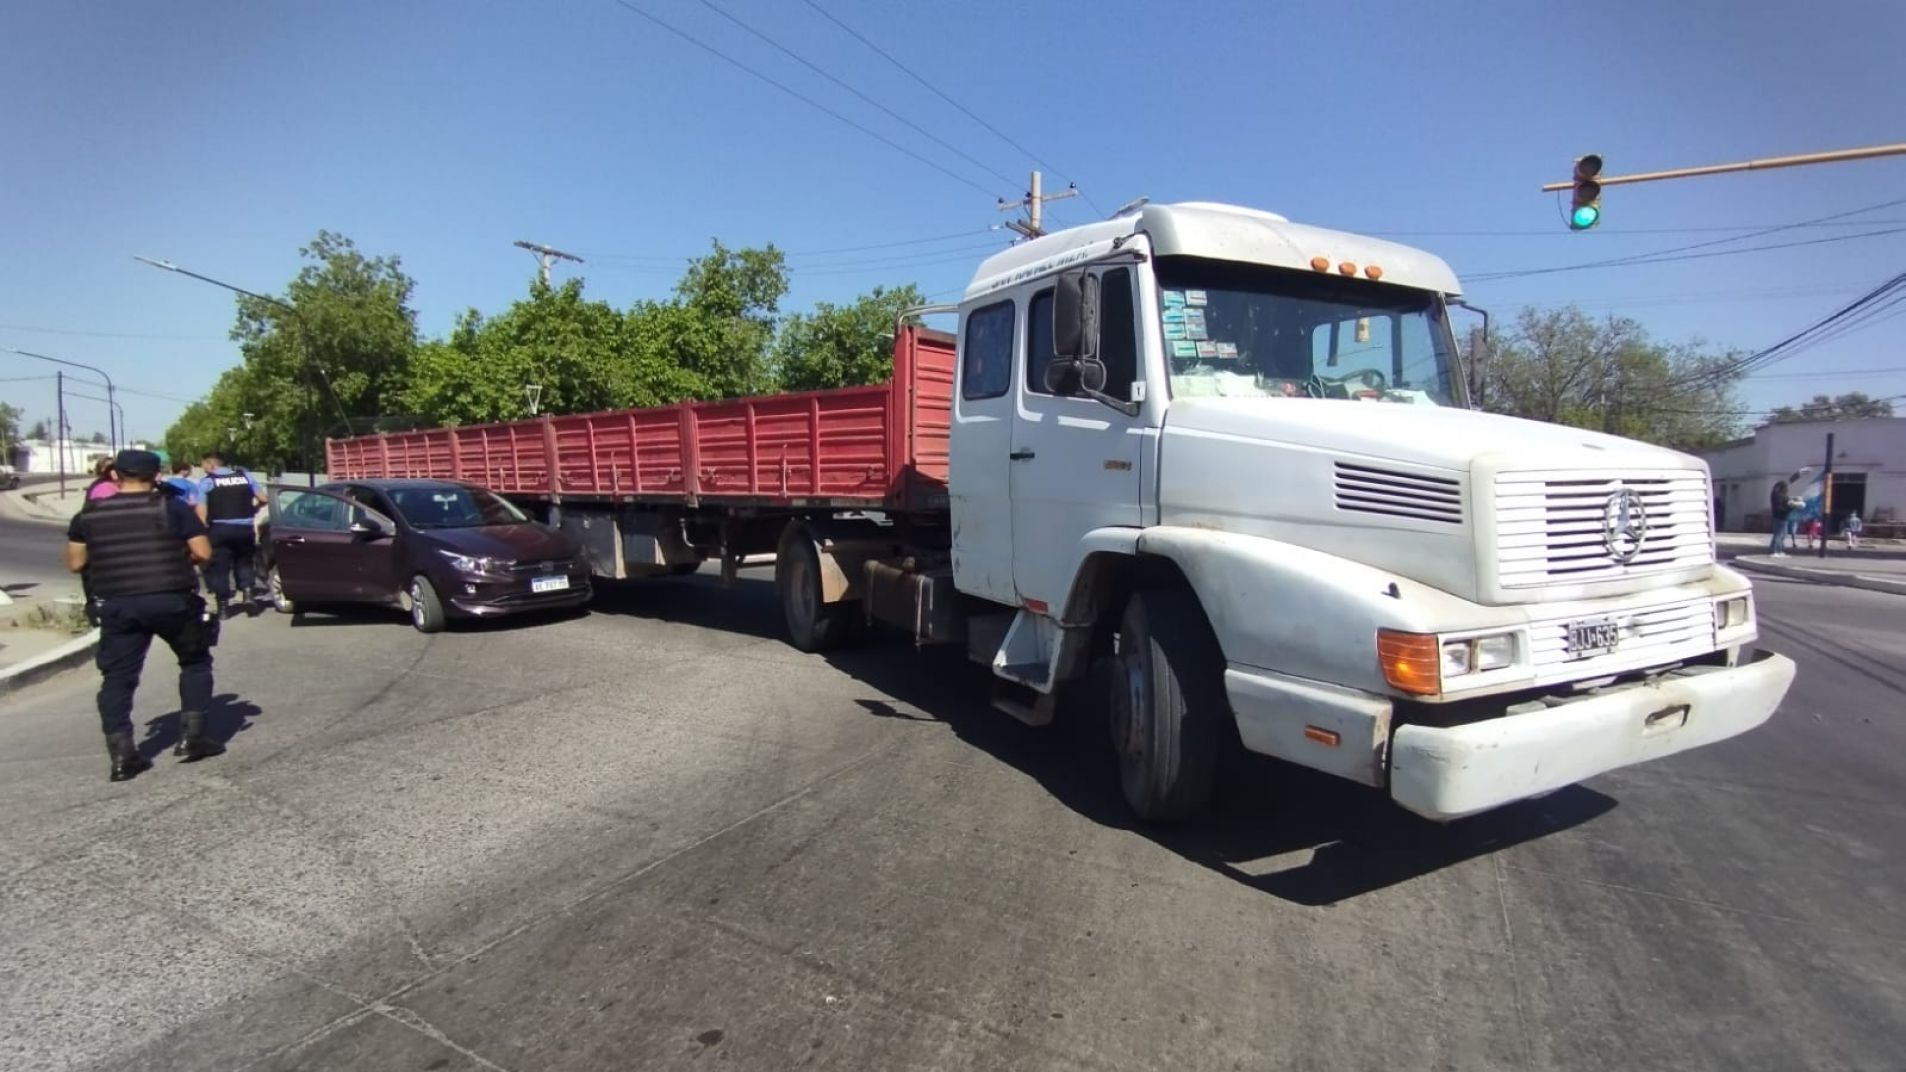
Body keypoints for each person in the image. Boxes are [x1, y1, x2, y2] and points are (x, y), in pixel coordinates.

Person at [66, 449, 222, 782]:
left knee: (118, 678)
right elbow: (204, 553)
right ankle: (193, 738)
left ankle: (123, 756)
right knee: (194, 662)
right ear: (156, 476)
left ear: (114, 475)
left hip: (118, 605)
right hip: (171, 600)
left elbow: (76, 563)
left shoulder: (88, 516)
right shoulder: (173, 508)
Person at [197, 451, 265, 617]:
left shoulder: (207, 482)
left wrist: (204, 529)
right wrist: (254, 509)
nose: (203, 468)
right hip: (244, 529)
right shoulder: (246, 476)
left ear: (211, 464)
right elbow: (263, 498)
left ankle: (223, 608)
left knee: (220, 568)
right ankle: (248, 593)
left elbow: (201, 511)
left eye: (203, 465)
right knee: (245, 561)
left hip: (219, 529)